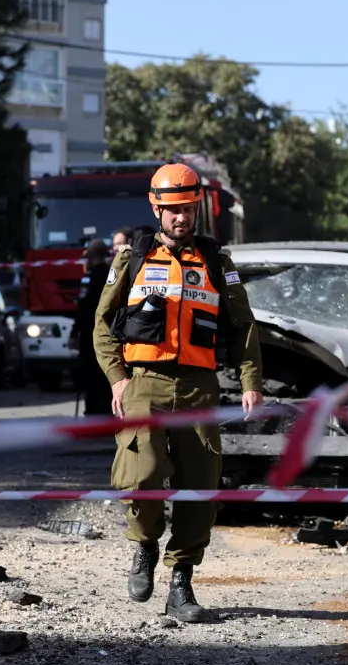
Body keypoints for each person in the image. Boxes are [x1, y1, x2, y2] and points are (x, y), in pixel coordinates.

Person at [94, 163, 265, 624]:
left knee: (199, 487)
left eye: (188, 210)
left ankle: (181, 582)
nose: (181, 218)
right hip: (143, 383)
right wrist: (117, 378)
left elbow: (243, 327)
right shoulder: (131, 259)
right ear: (156, 208)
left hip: (198, 387)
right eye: (172, 210)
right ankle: (145, 546)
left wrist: (251, 382)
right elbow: (102, 327)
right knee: (141, 474)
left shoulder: (215, 261)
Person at [71, 238, 113, 415]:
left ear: (91, 256)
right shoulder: (112, 276)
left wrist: (74, 332)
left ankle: (92, 411)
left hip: (90, 333)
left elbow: (83, 306)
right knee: (106, 373)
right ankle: (106, 410)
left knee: (89, 374)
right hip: (108, 333)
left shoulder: (89, 278)